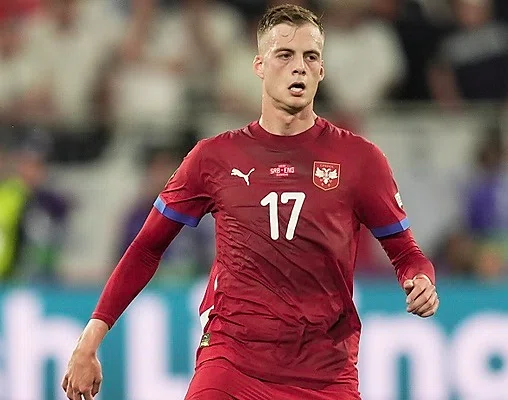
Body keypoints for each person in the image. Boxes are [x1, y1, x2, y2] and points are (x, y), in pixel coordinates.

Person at [62, 4, 439, 400]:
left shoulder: (360, 160)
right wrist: (89, 341)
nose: (299, 67)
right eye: (285, 55)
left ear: (322, 71)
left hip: (324, 374)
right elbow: (147, 247)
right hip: (231, 364)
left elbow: (407, 254)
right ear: (259, 65)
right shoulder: (214, 158)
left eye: (311, 57)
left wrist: (421, 280)